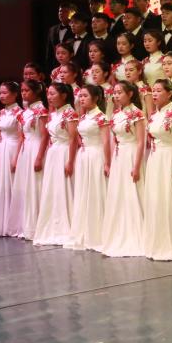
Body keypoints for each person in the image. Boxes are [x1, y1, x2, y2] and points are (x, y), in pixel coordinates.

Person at [142, 79, 172, 261]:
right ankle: (158, 240)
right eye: (153, 90)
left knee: (170, 197)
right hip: (155, 159)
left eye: (159, 90)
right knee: (156, 198)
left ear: (170, 93)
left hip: (170, 157)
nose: (155, 94)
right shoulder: (154, 115)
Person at [99, 82, 146, 257]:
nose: (116, 96)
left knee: (133, 192)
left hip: (132, 154)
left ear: (130, 94)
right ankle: (118, 231)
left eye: (120, 92)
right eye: (115, 93)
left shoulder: (137, 113)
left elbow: (141, 142)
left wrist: (137, 165)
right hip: (119, 156)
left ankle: (136, 233)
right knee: (119, 193)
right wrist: (110, 161)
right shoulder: (116, 114)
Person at [32, 83, 79, 247]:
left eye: (53, 94)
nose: (49, 97)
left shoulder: (70, 113)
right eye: (48, 94)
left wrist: (70, 161)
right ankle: (52, 225)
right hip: (53, 153)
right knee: (53, 189)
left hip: (65, 152)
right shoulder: (54, 114)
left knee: (65, 188)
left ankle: (68, 227)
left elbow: (73, 139)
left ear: (64, 95)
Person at [70, 85, 111, 251]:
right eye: (80, 96)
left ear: (95, 98)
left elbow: (106, 141)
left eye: (85, 96)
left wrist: (107, 162)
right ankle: (84, 230)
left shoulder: (101, 117)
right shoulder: (83, 117)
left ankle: (98, 232)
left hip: (96, 155)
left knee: (96, 191)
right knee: (84, 192)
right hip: (84, 156)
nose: (81, 99)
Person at [8, 81, 48, 239]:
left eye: (27, 90)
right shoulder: (25, 112)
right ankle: (24, 224)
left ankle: (36, 225)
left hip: (36, 148)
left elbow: (44, 136)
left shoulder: (41, 111)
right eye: (22, 90)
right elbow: (21, 137)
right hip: (26, 150)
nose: (23, 93)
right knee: (25, 186)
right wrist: (16, 157)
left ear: (36, 92)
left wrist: (39, 156)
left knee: (35, 185)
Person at [0, 82, 24, 237]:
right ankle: (0, 223)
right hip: (0, 148)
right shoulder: (0, 113)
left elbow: (22, 137)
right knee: (0, 184)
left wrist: (16, 158)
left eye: (4, 92)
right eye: (0, 93)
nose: (1, 96)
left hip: (12, 148)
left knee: (12, 183)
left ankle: (13, 223)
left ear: (15, 94)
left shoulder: (20, 113)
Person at [45, 2, 75, 71]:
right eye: (60, 11)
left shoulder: (75, 29)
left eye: (65, 11)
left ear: (71, 13)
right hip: (54, 66)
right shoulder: (52, 29)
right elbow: (49, 52)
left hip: (71, 67)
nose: (61, 13)